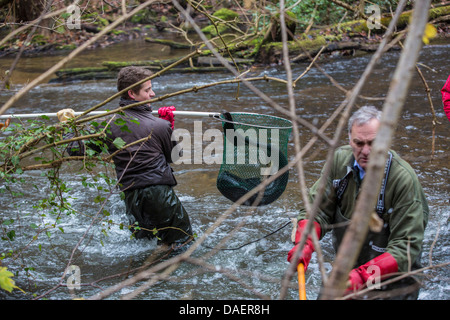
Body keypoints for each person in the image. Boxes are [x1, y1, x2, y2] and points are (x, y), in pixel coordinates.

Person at [287, 106, 429, 300]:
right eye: (359, 143)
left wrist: (363, 276)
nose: (366, 151)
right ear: (349, 139)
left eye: (373, 143)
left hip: (393, 280)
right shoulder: (339, 161)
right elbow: (317, 211)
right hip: (349, 270)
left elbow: (406, 248)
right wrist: (305, 243)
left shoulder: (403, 180)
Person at [58, 66, 193, 249]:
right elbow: (175, 157)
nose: (153, 94)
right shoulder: (159, 125)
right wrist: (169, 127)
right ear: (132, 93)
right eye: (147, 90)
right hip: (159, 194)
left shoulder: (108, 125)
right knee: (183, 243)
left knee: (146, 246)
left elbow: (76, 151)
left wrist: (68, 125)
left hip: (131, 198)